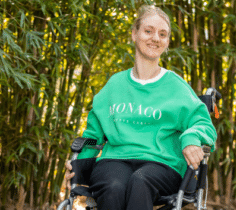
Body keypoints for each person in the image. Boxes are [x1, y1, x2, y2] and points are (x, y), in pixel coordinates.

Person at [65, 5, 217, 210]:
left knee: (140, 181)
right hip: (114, 161)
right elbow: (93, 134)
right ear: (134, 34)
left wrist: (191, 138)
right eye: (148, 31)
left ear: (167, 42)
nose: (155, 38)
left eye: (162, 34)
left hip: (163, 164)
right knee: (114, 185)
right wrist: (78, 167)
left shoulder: (177, 87)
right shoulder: (114, 85)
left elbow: (204, 125)